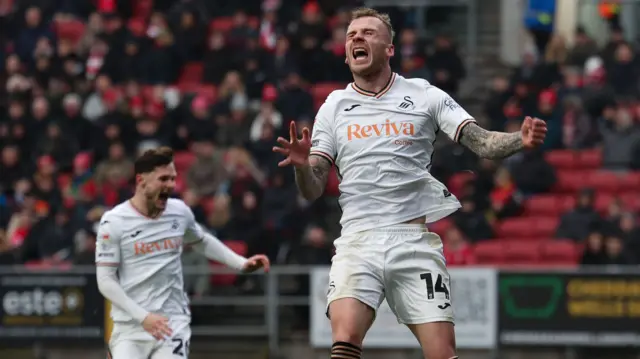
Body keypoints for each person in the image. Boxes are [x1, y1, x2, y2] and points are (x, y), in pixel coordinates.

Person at [273, 7, 547, 359]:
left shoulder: (424, 95)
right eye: (351, 34)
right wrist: (299, 167)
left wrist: (518, 141)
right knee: (344, 340)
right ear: (345, 53)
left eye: (368, 32)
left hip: (412, 242)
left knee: (442, 353)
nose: (357, 37)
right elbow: (312, 189)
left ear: (389, 48)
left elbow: (481, 142)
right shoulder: (334, 106)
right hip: (358, 241)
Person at [95, 147, 270, 359]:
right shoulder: (114, 221)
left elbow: (202, 241)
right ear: (141, 181)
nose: (171, 185)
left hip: (172, 322)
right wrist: (144, 317)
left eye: (173, 179)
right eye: (164, 179)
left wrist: (240, 263)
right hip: (131, 325)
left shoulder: (178, 211)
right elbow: (105, 281)